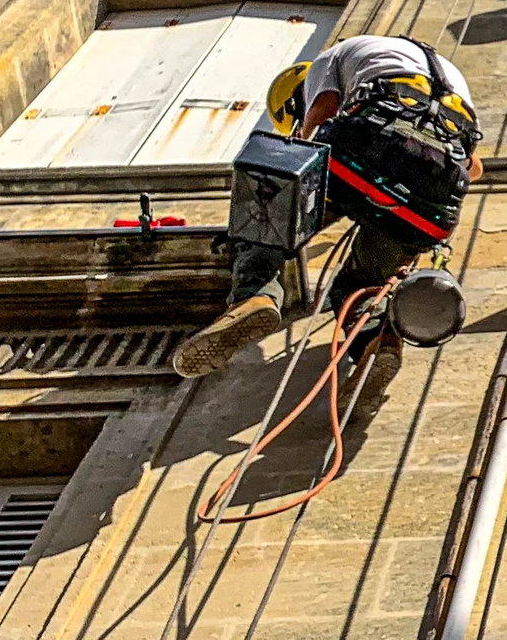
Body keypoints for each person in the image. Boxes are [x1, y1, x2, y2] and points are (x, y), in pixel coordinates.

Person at [174, 35, 484, 381]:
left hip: (362, 156)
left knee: (266, 207)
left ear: (297, 93)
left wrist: (294, 181)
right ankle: (377, 346)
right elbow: (473, 168)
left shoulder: (327, 61)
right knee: (359, 284)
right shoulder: (449, 78)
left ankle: (254, 295)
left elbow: (322, 111)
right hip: (432, 211)